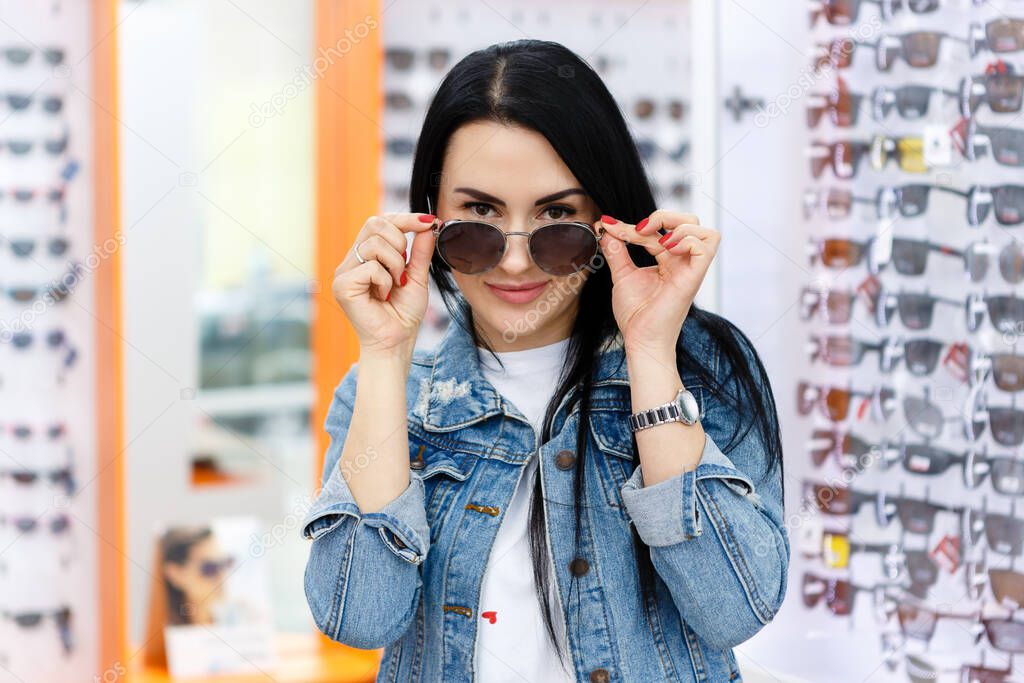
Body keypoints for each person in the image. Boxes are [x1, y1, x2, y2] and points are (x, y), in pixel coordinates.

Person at [302, 38, 788, 683]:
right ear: (428, 220)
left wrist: (648, 353)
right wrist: (386, 352)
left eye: (557, 218)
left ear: (606, 225)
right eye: (477, 216)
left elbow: (736, 609)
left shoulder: (702, 367)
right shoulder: (388, 394)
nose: (513, 260)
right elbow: (358, 618)